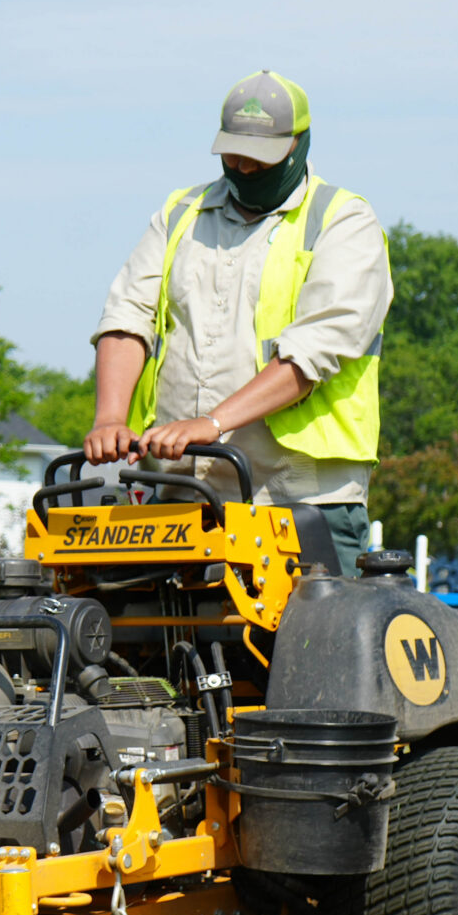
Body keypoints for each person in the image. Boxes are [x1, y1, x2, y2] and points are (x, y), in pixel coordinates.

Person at [82, 69, 393, 572]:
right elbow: (127, 316)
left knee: (319, 625)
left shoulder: (343, 221)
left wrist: (212, 423)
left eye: (260, 158)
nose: (245, 167)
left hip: (299, 499)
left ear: (298, 145)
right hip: (181, 494)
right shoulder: (181, 213)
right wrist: (110, 418)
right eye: (233, 155)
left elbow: (313, 351)